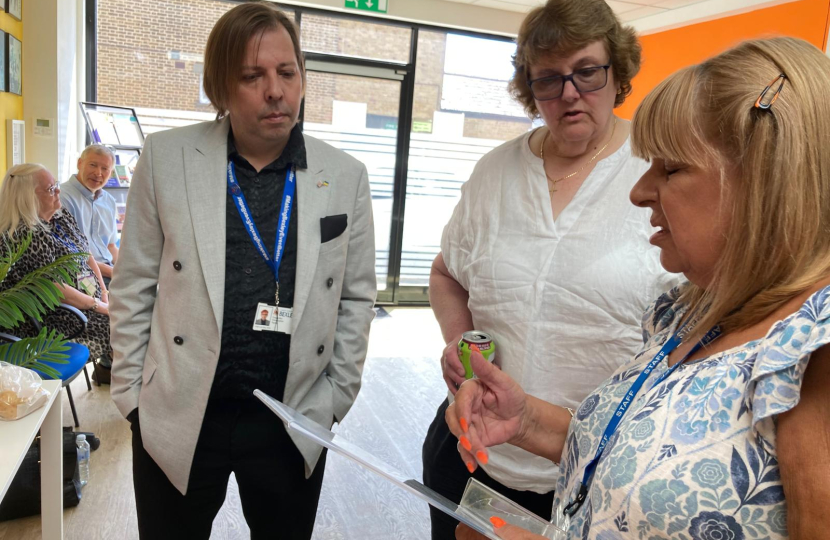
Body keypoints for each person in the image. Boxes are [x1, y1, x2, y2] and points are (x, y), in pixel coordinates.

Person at [449, 36, 830, 540]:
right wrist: (526, 423)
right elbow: (648, 467)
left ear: (766, 181)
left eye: (670, 169)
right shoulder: (691, 312)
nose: (638, 191)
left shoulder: (810, 354)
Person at [108, 3, 376, 539]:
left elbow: (354, 298)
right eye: (252, 76)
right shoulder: (167, 158)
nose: (275, 90)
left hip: (290, 417)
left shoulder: (344, 176)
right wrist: (135, 400)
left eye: (287, 72)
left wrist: (334, 400)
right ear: (221, 89)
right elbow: (133, 282)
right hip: (182, 409)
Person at [422, 1, 677, 536]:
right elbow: (447, 272)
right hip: (473, 450)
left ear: (618, 71)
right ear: (528, 86)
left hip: (595, 476)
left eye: (586, 71)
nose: (568, 94)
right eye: (547, 79)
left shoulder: (659, 169)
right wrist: (460, 344)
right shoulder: (494, 173)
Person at [0, 163, 112, 365]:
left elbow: (86, 254)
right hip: (54, 316)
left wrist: (104, 293)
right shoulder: (24, 234)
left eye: (56, 184)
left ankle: (114, 373)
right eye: (51, 189)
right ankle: (119, 377)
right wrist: (100, 306)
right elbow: (54, 289)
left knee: (135, 309)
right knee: (122, 324)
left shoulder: (61, 217)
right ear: (29, 197)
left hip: (87, 301)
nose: (58, 191)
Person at [59, 144, 119, 286]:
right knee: (122, 301)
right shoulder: (61, 197)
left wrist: (128, 270)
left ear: (110, 173)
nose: (98, 173)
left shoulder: (109, 201)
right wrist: (115, 273)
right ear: (79, 163)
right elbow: (68, 255)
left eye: (105, 169)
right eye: (93, 165)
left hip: (109, 271)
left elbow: (111, 246)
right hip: (80, 272)